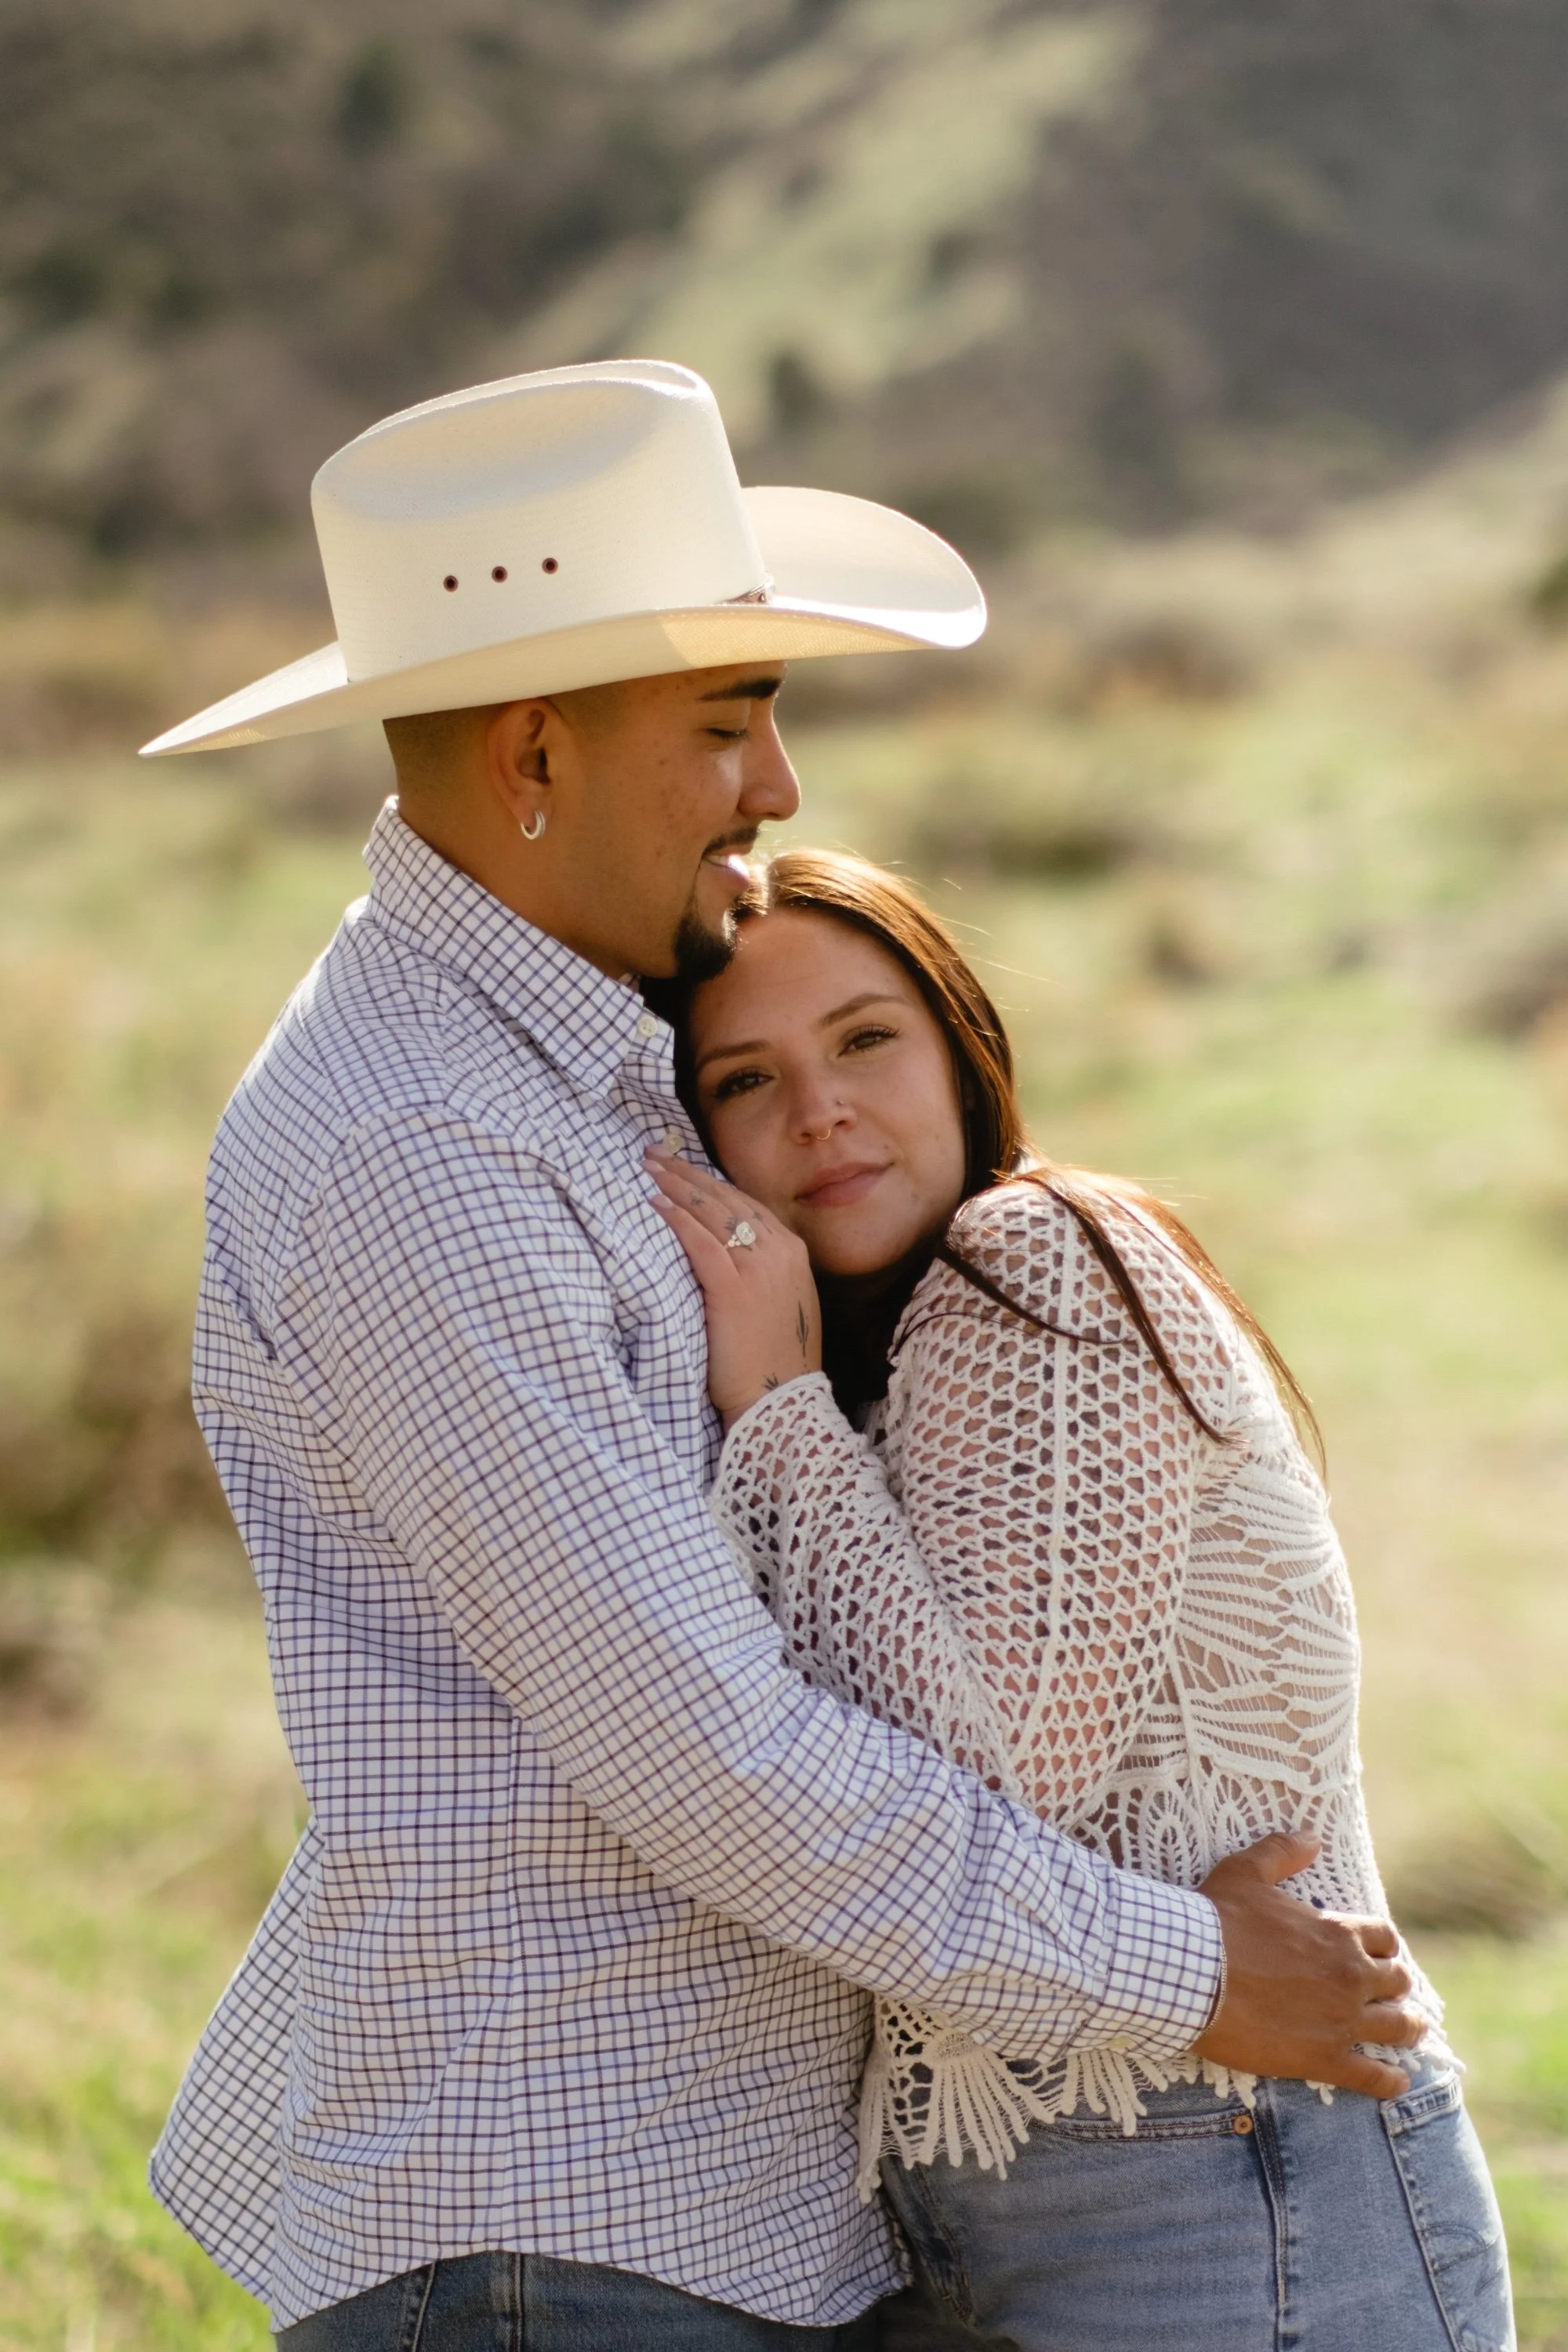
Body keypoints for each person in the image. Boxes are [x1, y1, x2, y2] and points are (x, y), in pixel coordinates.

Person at [141, 361, 1423, 2350]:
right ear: (538, 751)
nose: (780, 787)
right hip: (562, 2230)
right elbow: (716, 1757)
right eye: (731, 722)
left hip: (701, 2213)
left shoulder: (578, 1063)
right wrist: (1189, 1975)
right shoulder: (427, 1155)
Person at [643, 846, 1515, 2352]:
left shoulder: (1034, 1261)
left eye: (865, 1040)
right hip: (1037, 2203)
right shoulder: (900, 1358)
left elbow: (986, 1779)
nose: (819, 1109)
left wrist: (777, 1410)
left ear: (962, 1051)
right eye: (743, 1080)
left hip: (1231, 2182)